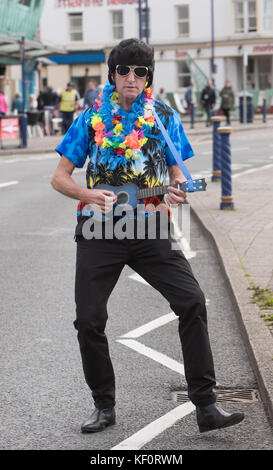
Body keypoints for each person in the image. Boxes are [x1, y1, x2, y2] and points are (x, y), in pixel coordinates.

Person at [51, 38, 244, 434]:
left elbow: (178, 175)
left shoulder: (163, 118)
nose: (132, 78)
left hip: (151, 226)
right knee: (89, 320)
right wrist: (89, 194)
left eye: (140, 71)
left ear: (149, 77)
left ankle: (206, 405)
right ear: (112, 75)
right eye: (124, 70)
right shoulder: (89, 119)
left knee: (191, 301)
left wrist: (178, 189)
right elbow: (59, 178)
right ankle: (104, 406)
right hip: (99, 229)